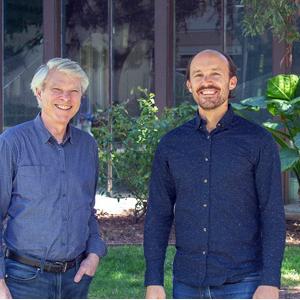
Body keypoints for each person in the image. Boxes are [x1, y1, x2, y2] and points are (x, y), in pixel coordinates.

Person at [144, 49, 286, 299]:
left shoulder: (257, 141)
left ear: (231, 82)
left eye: (215, 74)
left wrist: (270, 281)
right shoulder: (171, 145)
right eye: (198, 75)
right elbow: (158, 215)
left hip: (244, 282)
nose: (206, 82)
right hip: (186, 284)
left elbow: (272, 213)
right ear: (189, 85)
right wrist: (153, 280)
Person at [0, 58, 107, 299]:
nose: (65, 98)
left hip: (76, 279)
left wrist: (94, 254)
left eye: (74, 91)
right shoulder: (12, 143)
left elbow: (87, 208)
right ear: (39, 93)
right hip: (24, 279)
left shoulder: (87, 146)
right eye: (57, 90)